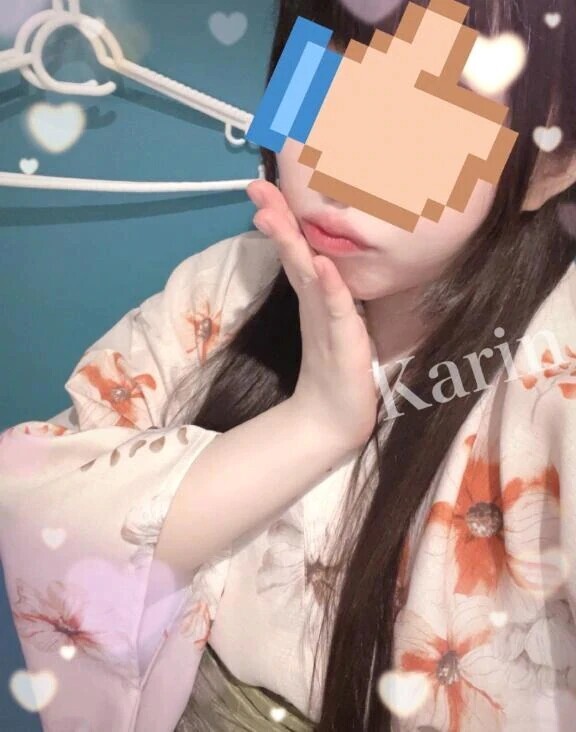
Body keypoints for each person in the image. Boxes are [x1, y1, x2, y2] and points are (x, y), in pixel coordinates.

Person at [1, 0, 576, 730]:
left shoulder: (555, 374)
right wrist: (314, 426)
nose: (343, 175)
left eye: (433, 119)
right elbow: (46, 521)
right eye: (327, 91)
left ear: (549, 165)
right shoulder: (224, 284)